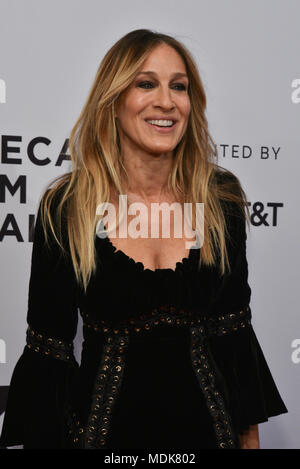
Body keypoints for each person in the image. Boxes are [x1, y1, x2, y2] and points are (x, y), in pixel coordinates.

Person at [0, 29, 287, 450]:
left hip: (210, 435)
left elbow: (233, 336)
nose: (167, 102)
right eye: (146, 83)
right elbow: (50, 353)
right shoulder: (67, 207)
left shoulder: (219, 199)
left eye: (179, 86)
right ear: (113, 101)